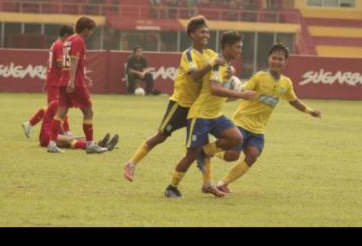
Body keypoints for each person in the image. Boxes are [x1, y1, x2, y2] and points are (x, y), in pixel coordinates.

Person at [123, 15, 229, 196]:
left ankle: (208, 184)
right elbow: (195, 75)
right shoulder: (188, 54)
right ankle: (131, 163)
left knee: (202, 145)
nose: (206, 35)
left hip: (198, 108)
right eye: (202, 32)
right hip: (181, 104)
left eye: (207, 32)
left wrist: (229, 70)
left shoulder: (211, 53)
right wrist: (213, 64)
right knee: (161, 135)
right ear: (192, 34)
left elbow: (221, 66)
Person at [203, 43, 321, 194]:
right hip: (242, 122)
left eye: (280, 59)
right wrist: (231, 88)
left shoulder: (286, 83)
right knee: (232, 156)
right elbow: (242, 90)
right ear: (268, 59)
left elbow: (293, 101)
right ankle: (207, 150)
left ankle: (222, 184)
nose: (276, 62)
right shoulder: (259, 77)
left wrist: (310, 111)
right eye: (274, 58)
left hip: (258, 128)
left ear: (285, 62)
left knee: (252, 155)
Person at [163, 31, 256, 198]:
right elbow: (214, 89)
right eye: (237, 47)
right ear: (226, 47)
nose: (240, 50)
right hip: (200, 115)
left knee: (236, 138)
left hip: (215, 115)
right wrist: (240, 95)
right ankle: (172, 187)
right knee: (190, 155)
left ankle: (204, 152)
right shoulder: (218, 64)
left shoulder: (226, 65)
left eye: (241, 47)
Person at [45, 16, 108, 154]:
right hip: (74, 82)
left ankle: (52, 143)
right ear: (85, 29)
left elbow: (69, 63)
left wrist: (82, 76)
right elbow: (73, 60)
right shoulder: (79, 40)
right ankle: (90, 144)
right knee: (88, 111)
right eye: (90, 31)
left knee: (61, 112)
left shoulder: (68, 40)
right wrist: (73, 80)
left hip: (63, 79)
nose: (90, 33)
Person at [22, 24, 74, 138]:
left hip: (54, 80)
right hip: (56, 82)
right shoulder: (60, 45)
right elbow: (60, 63)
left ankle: (65, 131)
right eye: (71, 36)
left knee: (59, 106)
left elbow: (49, 63)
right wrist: (73, 69)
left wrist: (47, 80)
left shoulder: (54, 44)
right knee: (58, 107)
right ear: (66, 35)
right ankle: (30, 124)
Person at [37, 100, 119, 152]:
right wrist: (66, 136)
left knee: (75, 140)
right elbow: (59, 125)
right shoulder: (56, 104)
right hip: (47, 136)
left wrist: (72, 136)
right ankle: (100, 146)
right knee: (70, 140)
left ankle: (102, 145)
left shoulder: (61, 106)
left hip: (50, 136)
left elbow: (62, 126)